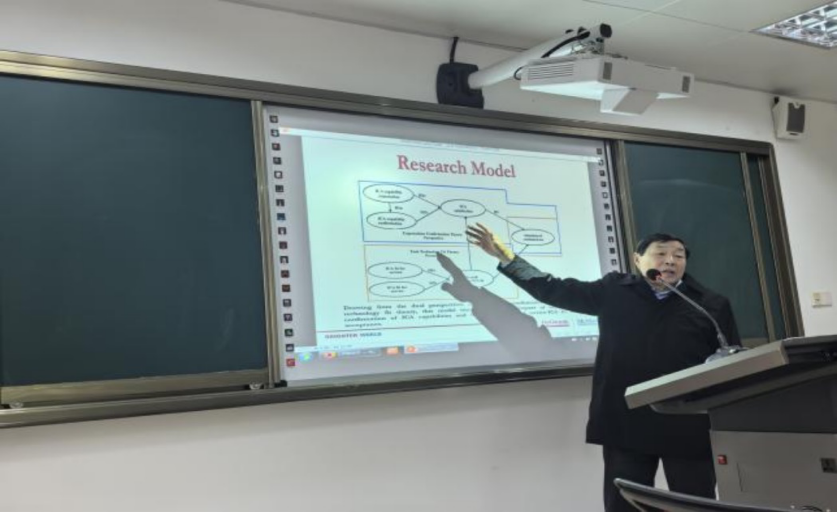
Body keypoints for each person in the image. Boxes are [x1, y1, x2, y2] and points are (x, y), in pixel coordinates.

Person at [466, 223, 740, 512]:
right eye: (660, 254)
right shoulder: (615, 291)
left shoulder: (710, 304)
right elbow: (555, 289)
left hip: (688, 425)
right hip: (626, 422)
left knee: (695, 505)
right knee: (623, 505)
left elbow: (730, 362)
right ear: (638, 260)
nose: (670, 261)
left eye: (678, 255)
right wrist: (509, 260)